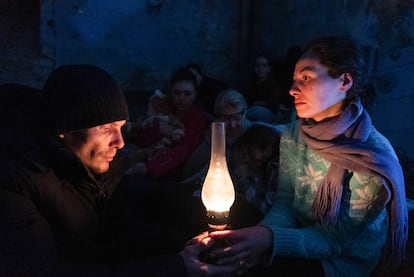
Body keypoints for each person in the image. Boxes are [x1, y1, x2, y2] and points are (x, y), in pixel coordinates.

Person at [0, 64, 239, 276]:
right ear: (66, 129)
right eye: (106, 128)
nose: (120, 142)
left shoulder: (98, 168)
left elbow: (138, 211)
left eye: (121, 127)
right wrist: (176, 267)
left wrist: (189, 243)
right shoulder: (15, 182)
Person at [206, 36, 408, 276]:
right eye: (294, 79)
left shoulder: (373, 160)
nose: (292, 90)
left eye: (306, 78)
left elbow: (331, 239)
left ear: (344, 81)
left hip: (340, 259)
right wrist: (262, 237)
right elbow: (284, 201)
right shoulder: (296, 131)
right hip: (298, 232)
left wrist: (268, 239)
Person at [126, 67, 207, 180]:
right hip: (150, 157)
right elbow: (141, 139)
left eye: (187, 93)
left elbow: (184, 149)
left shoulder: (196, 116)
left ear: (195, 95)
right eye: (177, 93)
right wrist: (160, 129)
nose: (181, 98)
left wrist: (149, 168)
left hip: (174, 171)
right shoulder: (163, 109)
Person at [245, 54, 294, 124]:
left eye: (264, 66)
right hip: (253, 116)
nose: (260, 69)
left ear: (269, 68)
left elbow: (275, 105)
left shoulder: (273, 85)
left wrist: (261, 104)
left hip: (270, 115)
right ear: (254, 68)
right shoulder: (250, 85)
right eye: (257, 66)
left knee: (257, 111)